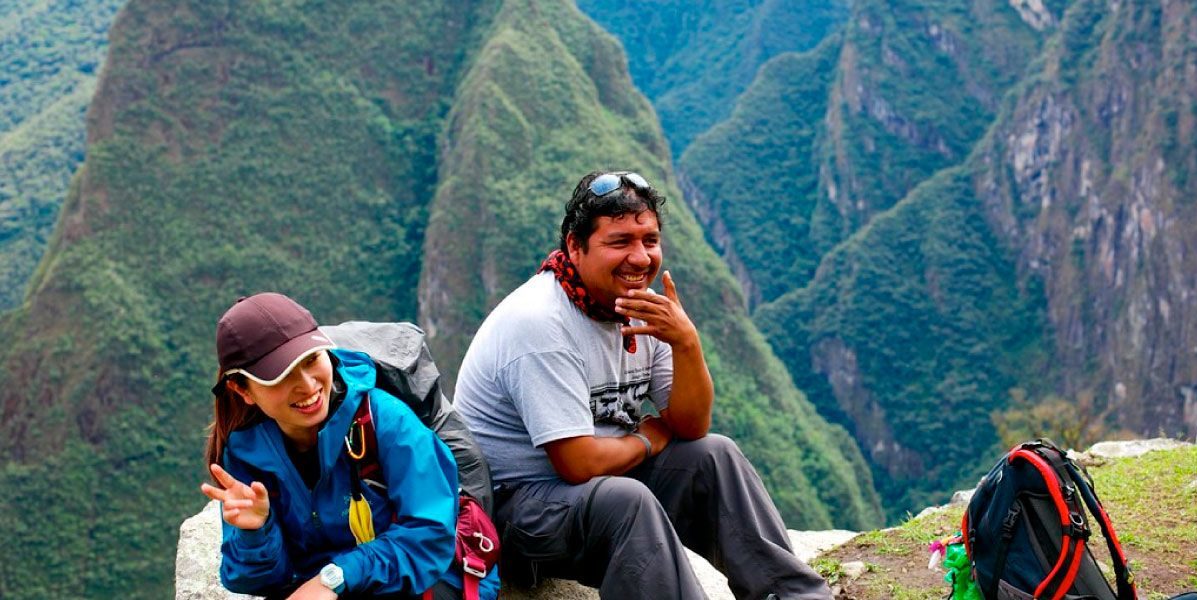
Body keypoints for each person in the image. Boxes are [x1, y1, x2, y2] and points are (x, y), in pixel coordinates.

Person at [454, 171, 833, 600]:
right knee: (626, 501)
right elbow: (576, 463)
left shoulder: (638, 306)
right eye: (619, 243)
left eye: (649, 241)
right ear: (575, 247)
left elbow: (691, 427)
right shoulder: (540, 323)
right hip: (516, 510)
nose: (639, 258)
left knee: (714, 455)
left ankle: (796, 596)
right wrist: (647, 442)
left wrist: (686, 342)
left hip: (599, 485)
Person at [200, 292, 499, 600]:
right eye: (281, 376)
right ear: (242, 390)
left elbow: (431, 537)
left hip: (424, 578)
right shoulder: (247, 452)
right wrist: (255, 532)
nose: (307, 385)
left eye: (312, 359)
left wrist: (335, 577)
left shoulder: (386, 422)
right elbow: (254, 581)